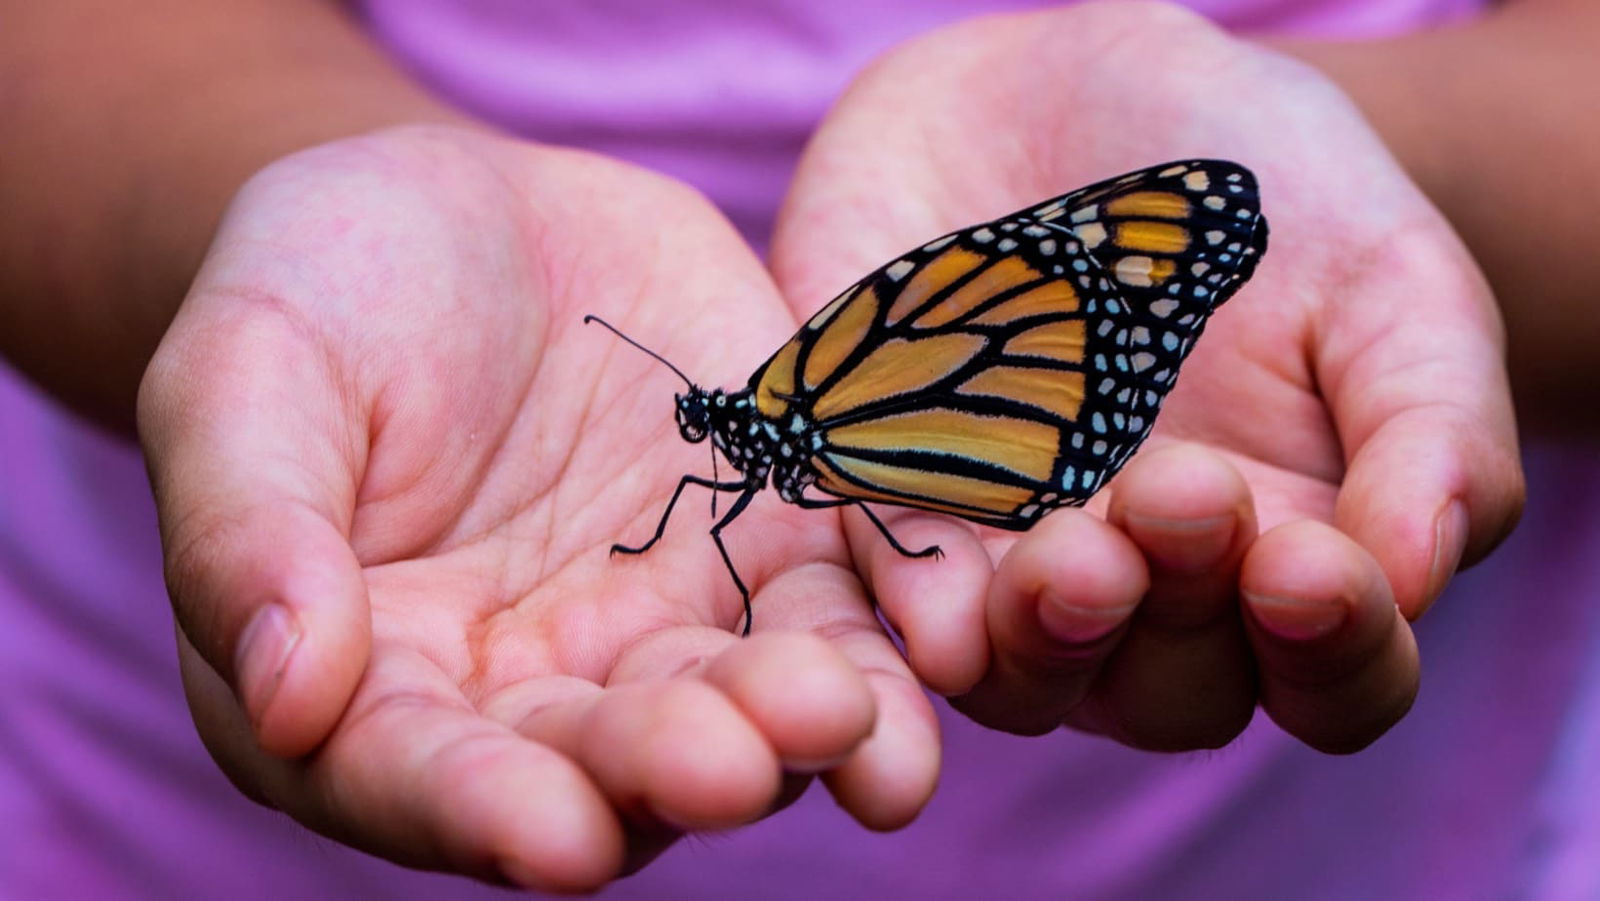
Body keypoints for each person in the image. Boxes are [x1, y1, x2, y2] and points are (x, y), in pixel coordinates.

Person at [1, 0, 1591, 895]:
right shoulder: (782, 416)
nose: (712, 435)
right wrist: (277, 207)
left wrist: (1412, 162)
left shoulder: (809, 397)